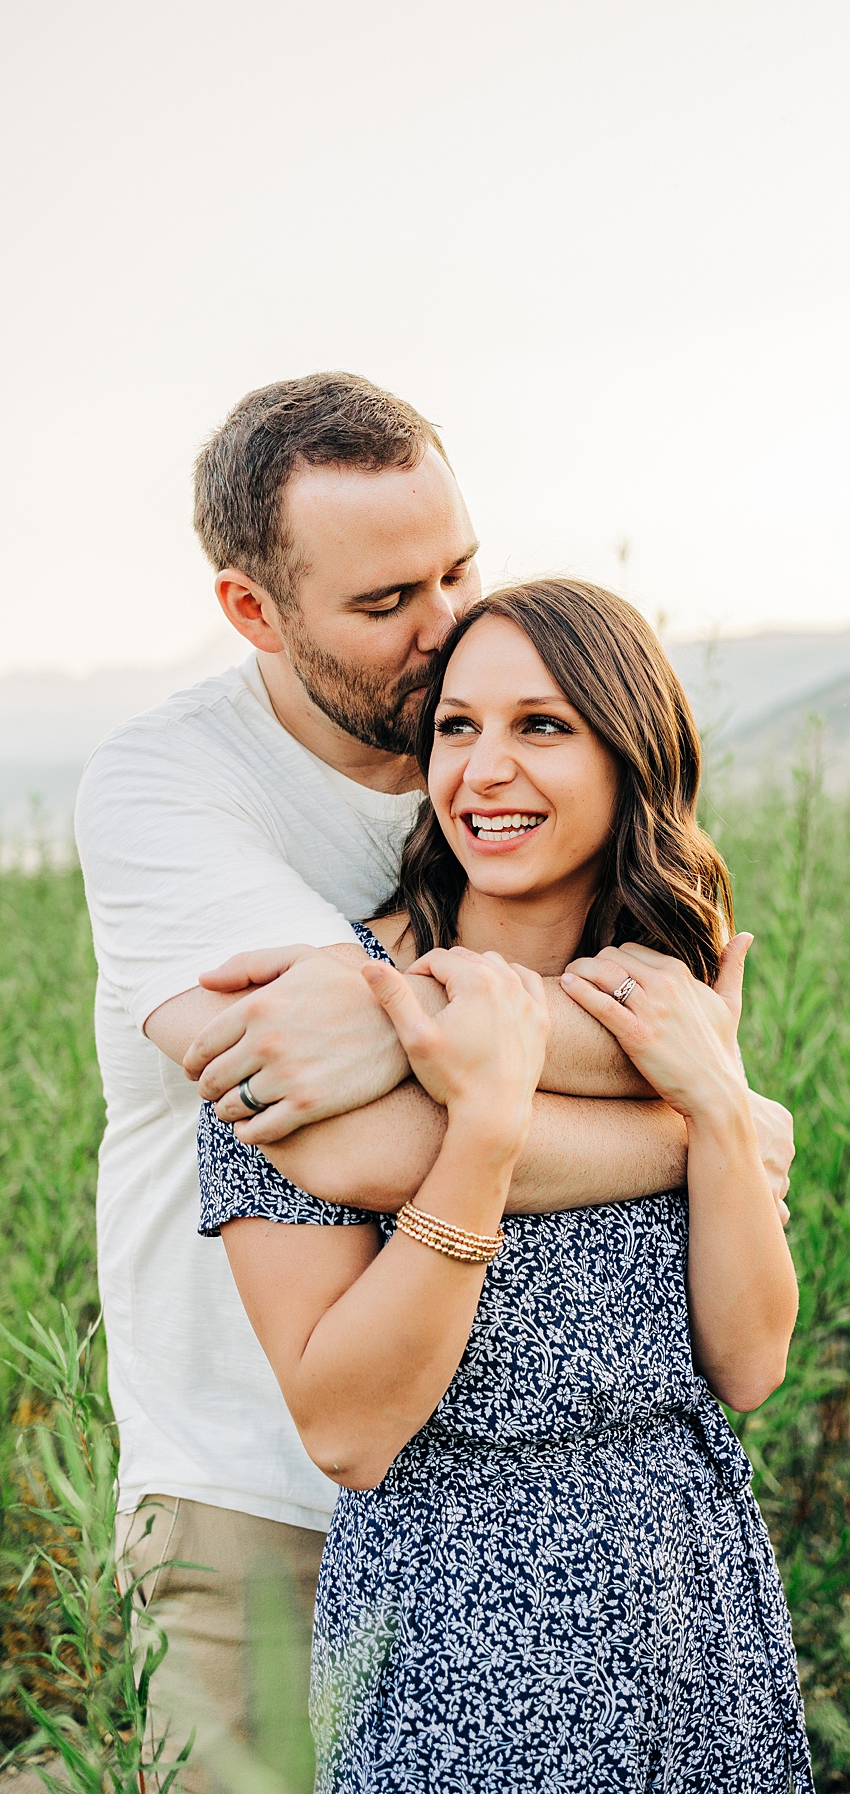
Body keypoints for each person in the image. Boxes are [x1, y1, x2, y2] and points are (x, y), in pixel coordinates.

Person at [73, 374, 796, 1791]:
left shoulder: (469, 753)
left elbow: (745, 1358)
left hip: (664, 1587)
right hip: (258, 1481)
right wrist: (711, 1116)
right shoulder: (168, 790)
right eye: (390, 597)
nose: (446, 621)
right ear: (254, 614)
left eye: (461, 565)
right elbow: (338, 1136)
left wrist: (688, 1090)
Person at [199, 580, 814, 1794]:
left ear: (631, 754)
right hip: (455, 1628)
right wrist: (482, 1134)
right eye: (457, 728)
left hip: (698, 1612)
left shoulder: (666, 1009)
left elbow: (746, 1364)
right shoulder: (323, 1025)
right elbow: (348, 1430)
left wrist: (713, 1107)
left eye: (542, 726)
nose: (486, 770)